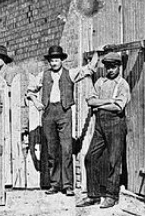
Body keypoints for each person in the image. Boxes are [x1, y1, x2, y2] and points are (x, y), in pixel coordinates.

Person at [26, 45, 98, 196]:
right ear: (49, 62)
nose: (54, 63)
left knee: (66, 149)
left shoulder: (70, 74)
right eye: (52, 60)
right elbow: (30, 91)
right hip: (48, 113)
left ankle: (67, 185)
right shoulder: (42, 75)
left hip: (64, 112)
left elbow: (89, 69)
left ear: (61, 61)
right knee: (52, 150)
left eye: (57, 60)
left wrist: (97, 53)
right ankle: (54, 184)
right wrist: (36, 101)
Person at [77, 52, 131, 209]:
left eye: (113, 67)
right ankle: (93, 195)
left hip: (116, 123)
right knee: (90, 157)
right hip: (100, 124)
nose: (111, 70)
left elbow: (118, 106)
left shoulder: (122, 84)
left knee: (114, 160)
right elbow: (90, 100)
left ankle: (111, 196)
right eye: (108, 67)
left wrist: (98, 105)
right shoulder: (100, 82)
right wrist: (106, 101)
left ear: (119, 67)